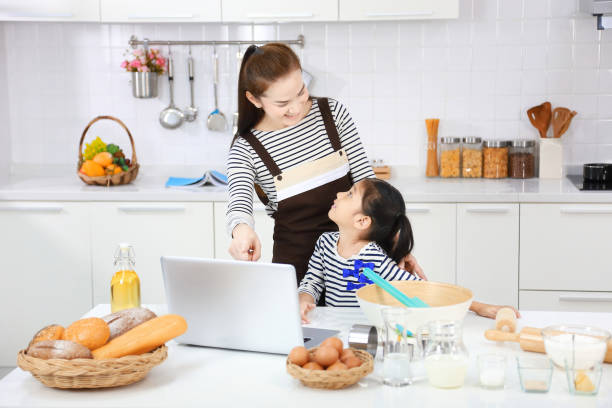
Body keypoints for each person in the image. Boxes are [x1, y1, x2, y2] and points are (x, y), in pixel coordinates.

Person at [226, 43, 425, 291]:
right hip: (295, 275)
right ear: (254, 99)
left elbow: (369, 187)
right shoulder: (246, 148)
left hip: (355, 270)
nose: (296, 107)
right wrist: (241, 231)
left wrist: (395, 247)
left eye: (301, 92)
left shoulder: (332, 114)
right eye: (282, 103)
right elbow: (238, 204)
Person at [298, 178, 520, 323]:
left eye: (348, 195)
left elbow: (422, 291)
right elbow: (313, 281)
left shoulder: (374, 259)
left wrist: (480, 307)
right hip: (333, 332)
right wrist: (303, 299)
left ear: (362, 220)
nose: (338, 194)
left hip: (370, 335)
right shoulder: (324, 243)